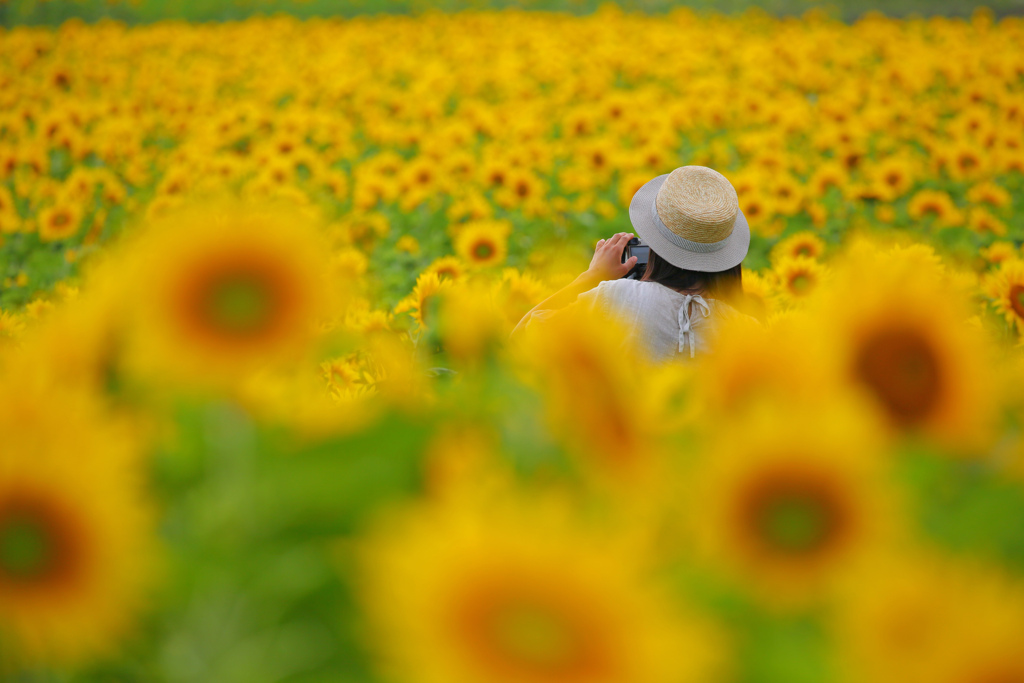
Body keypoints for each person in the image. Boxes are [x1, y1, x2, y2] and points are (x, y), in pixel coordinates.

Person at [512, 166, 754, 362]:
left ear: (655, 245)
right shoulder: (745, 332)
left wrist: (592, 276)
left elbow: (520, 338)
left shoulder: (614, 299)